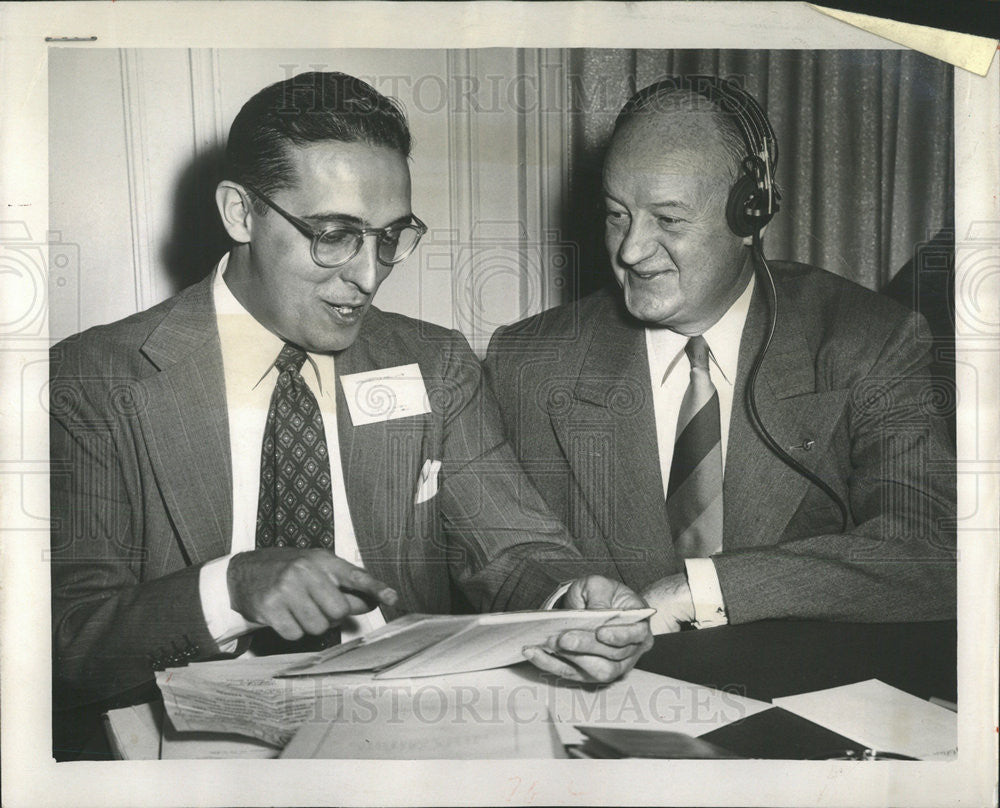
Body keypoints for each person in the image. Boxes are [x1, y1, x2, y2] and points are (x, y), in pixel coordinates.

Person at [50, 71, 653, 720]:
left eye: (389, 237)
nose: (367, 276)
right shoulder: (98, 380)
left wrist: (569, 601)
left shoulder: (435, 364)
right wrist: (230, 589)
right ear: (240, 212)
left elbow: (513, 548)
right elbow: (75, 641)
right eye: (334, 234)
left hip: (404, 728)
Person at [485, 77, 956, 635]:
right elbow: (502, 553)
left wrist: (709, 591)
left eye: (669, 219)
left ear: (748, 216)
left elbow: (933, 548)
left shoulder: (869, 340)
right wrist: (563, 601)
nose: (631, 251)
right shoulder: (528, 360)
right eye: (617, 214)